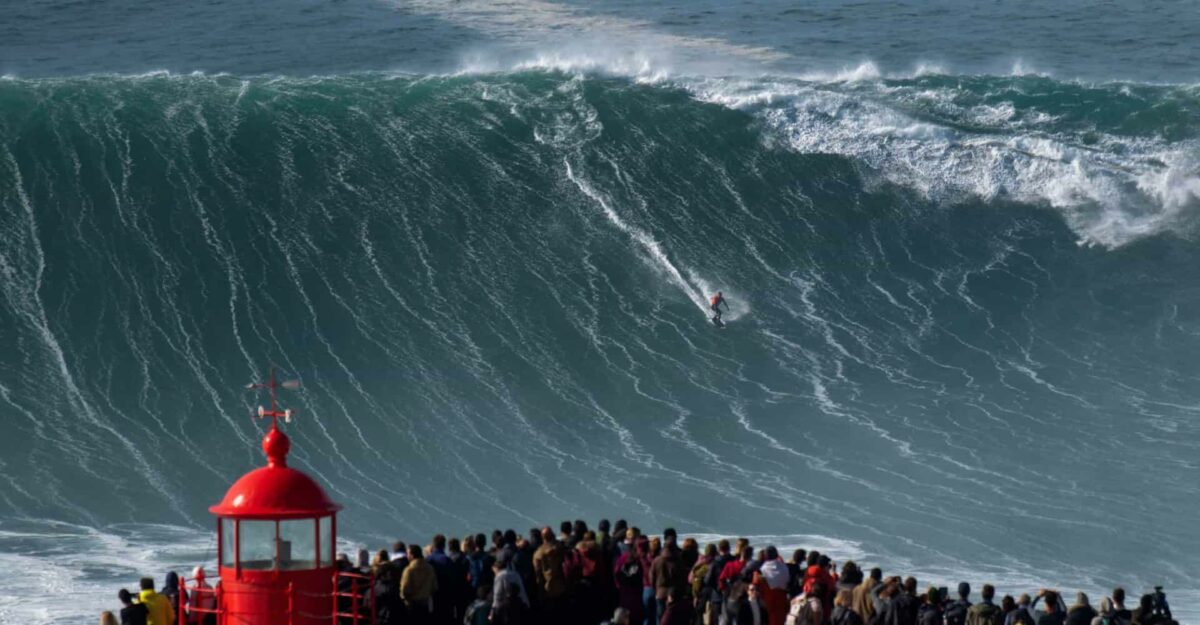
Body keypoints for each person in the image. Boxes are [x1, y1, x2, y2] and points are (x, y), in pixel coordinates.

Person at [532, 527, 568, 624]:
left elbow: (538, 575)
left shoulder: (538, 554)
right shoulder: (561, 547)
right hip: (562, 586)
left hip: (548, 589)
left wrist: (540, 594)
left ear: (542, 537)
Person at [401, 544, 438, 625]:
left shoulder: (409, 570)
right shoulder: (430, 568)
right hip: (425, 604)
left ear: (412, 555)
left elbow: (405, 589)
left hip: (412, 605)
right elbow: (434, 587)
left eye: (408, 554)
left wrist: (405, 599)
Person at [492, 553, 530, 625]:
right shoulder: (515, 574)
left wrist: (493, 611)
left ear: (495, 568)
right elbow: (522, 590)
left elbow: (497, 595)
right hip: (519, 604)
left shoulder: (499, 576)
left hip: (506, 608)